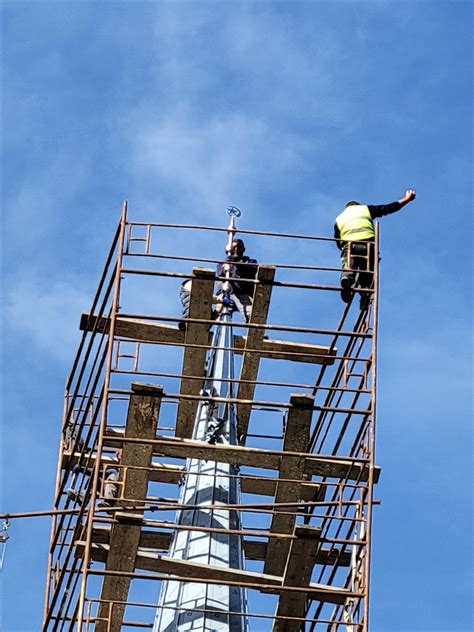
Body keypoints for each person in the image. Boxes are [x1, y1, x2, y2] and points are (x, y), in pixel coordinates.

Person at [334, 189, 416, 307]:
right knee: (366, 271)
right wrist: (407, 199)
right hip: (368, 244)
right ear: (357, 205)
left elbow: (337, 240)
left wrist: (344, 247)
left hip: (350, 246)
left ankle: (347, 277)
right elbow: (388, 208)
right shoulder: (365, 209)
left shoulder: (339, 218)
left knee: (348, 264)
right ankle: (364, 293)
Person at [216, 238, 258, 322]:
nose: (236, 249)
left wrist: (235, 263)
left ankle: (256, 330)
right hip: (228, 292)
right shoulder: (223, 263)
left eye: (239, 247)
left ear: (243, 249)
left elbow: (251, 270)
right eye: (233, 247)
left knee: (250, 315)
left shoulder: (250, 262)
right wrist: (226, 267)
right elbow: (220, 273)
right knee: (219, 310)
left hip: (244, 294)